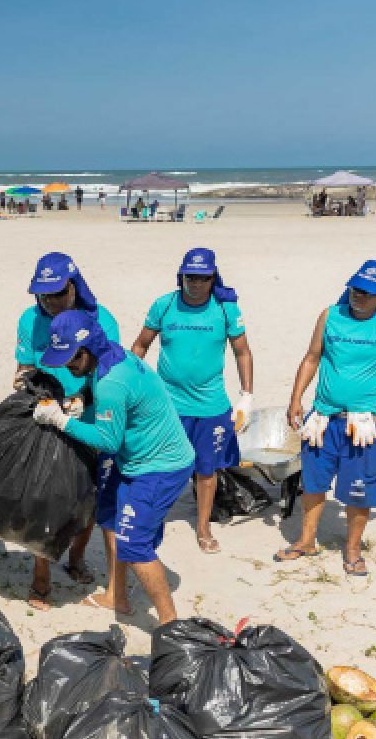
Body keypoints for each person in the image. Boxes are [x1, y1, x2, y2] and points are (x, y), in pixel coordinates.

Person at [276, 260, 376, 576]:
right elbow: (312, 357)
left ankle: (352, 549)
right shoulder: (331, 315)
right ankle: (307, 540)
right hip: (322, 417)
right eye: (355, 288)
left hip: (365, 422)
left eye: (367, 292)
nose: (358, 296)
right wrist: (296, 398)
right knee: (313, 482)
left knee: (360, 489)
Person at [35, 310, 195, 623]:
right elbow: (106, 399)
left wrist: (60, 420)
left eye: (70, 358)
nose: (67, 365)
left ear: (88, 349)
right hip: (131, 458)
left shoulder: (112, 383)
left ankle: (171, 626)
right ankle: (116, 596)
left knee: (134, 545)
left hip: (160, 467)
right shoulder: (112, 354)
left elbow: (107, 441)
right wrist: (83, 396)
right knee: (108, 516)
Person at [15, 252, 122, 609]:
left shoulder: (102, 319)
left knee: (87, 502)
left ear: (75, 287)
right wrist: (23, 382)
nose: (51, 302)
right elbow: (25, 367)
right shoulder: (30, 321)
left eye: (58, 294)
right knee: (44, 502)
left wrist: (82, 397)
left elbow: (110, 372)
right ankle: (41, 576)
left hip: (89, 419)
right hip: (46, 417)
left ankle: (76, 557)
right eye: (44, 296)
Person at [131, 248, 254, 554]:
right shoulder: (165, 304)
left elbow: (242, 351)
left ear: (213, 278)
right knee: (157, 465)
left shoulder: (226, 309)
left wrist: (247, 395)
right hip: (168, 403)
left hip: (210, 405)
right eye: (190, 277)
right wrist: (133, 384)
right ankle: (152, 520)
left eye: (203, 278)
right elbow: (141, 345)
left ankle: (203, 527)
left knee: (206, 470)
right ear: (181, 276)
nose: (196, 283)